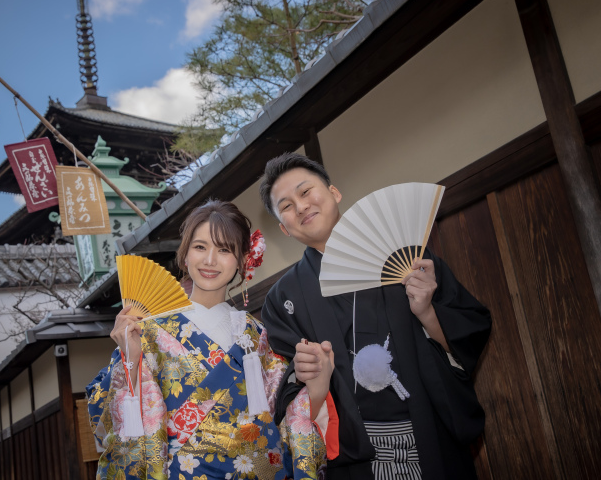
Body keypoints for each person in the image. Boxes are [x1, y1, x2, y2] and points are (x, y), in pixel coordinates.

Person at [258, 152, 492, 480]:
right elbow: (284, 396)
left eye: (306, 191)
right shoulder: (283, 299)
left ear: (334, 192)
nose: (301, 206)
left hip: (431, 435)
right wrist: (307, 375)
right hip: (355, 460)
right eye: (286, 206)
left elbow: (469, 333)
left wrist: (427, 312)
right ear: (284, 228)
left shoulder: (406, 256)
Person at [87, 200, 328, 479]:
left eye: (225, 250)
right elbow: (108, 419)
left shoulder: (257, 335)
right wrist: (130, 359)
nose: (210, 260)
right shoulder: (149, 331)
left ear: (242, 260)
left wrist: (317, 382)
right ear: (185, 255)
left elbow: (285, 413)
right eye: (200, 247)